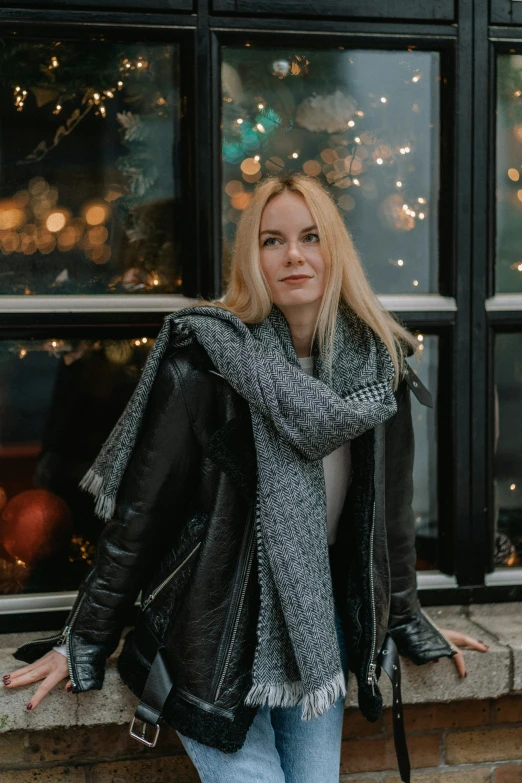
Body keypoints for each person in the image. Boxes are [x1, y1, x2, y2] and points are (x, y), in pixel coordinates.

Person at [3, 173, 488, 783]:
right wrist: (83, 638)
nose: (293, 255)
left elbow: (385, 523)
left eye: (310, 237)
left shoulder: (377, 369)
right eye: (271, 240)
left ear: (334, 249)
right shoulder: (204, 363)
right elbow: (139, 520)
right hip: (212, 630)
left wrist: (404, 616)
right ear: (250, 258)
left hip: (318, 629)